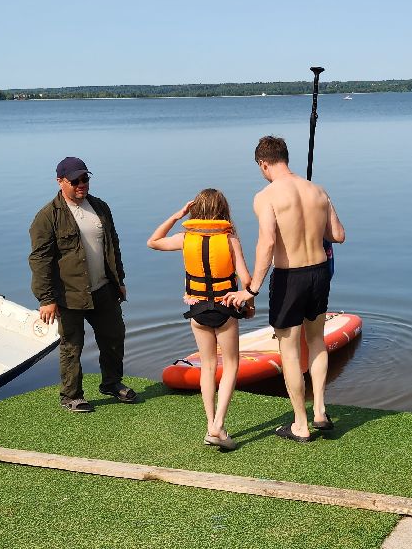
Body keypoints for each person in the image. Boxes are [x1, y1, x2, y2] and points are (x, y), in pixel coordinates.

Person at [224, 135, 345, 442]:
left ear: (263, 164)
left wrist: (251, 289)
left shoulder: (266, 196)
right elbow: (339, 235)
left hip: (290, 278)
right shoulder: (318, 191)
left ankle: (301, 425)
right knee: (317, 341)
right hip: (319, 273)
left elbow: (267, 243)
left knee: (290, 352)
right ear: (286, 158)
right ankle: (320, 410)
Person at [28, 155, 138, 412]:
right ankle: (71, 396)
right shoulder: (47, 217)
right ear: (60, 182)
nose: (81, 184)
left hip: (104, 289)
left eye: (85, 178)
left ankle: (112, 383)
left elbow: (113, 246)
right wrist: (46, 299)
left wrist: (119, 280)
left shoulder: (100, 207)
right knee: (72, 346)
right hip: (69, 294)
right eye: (75, 180)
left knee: (114, 337)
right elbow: (39, 260)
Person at [147, 189, 253, 450]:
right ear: (222, 211)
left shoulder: (185, 238)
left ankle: (210, 425)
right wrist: (249, 304)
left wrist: (176, 215)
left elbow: (153, 241)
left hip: (197, 311)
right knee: (230, 366)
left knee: (207, 366)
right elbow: (247, 280)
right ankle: (218, 426)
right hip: (225, 310)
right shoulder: (230, 241)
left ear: (196, 212)